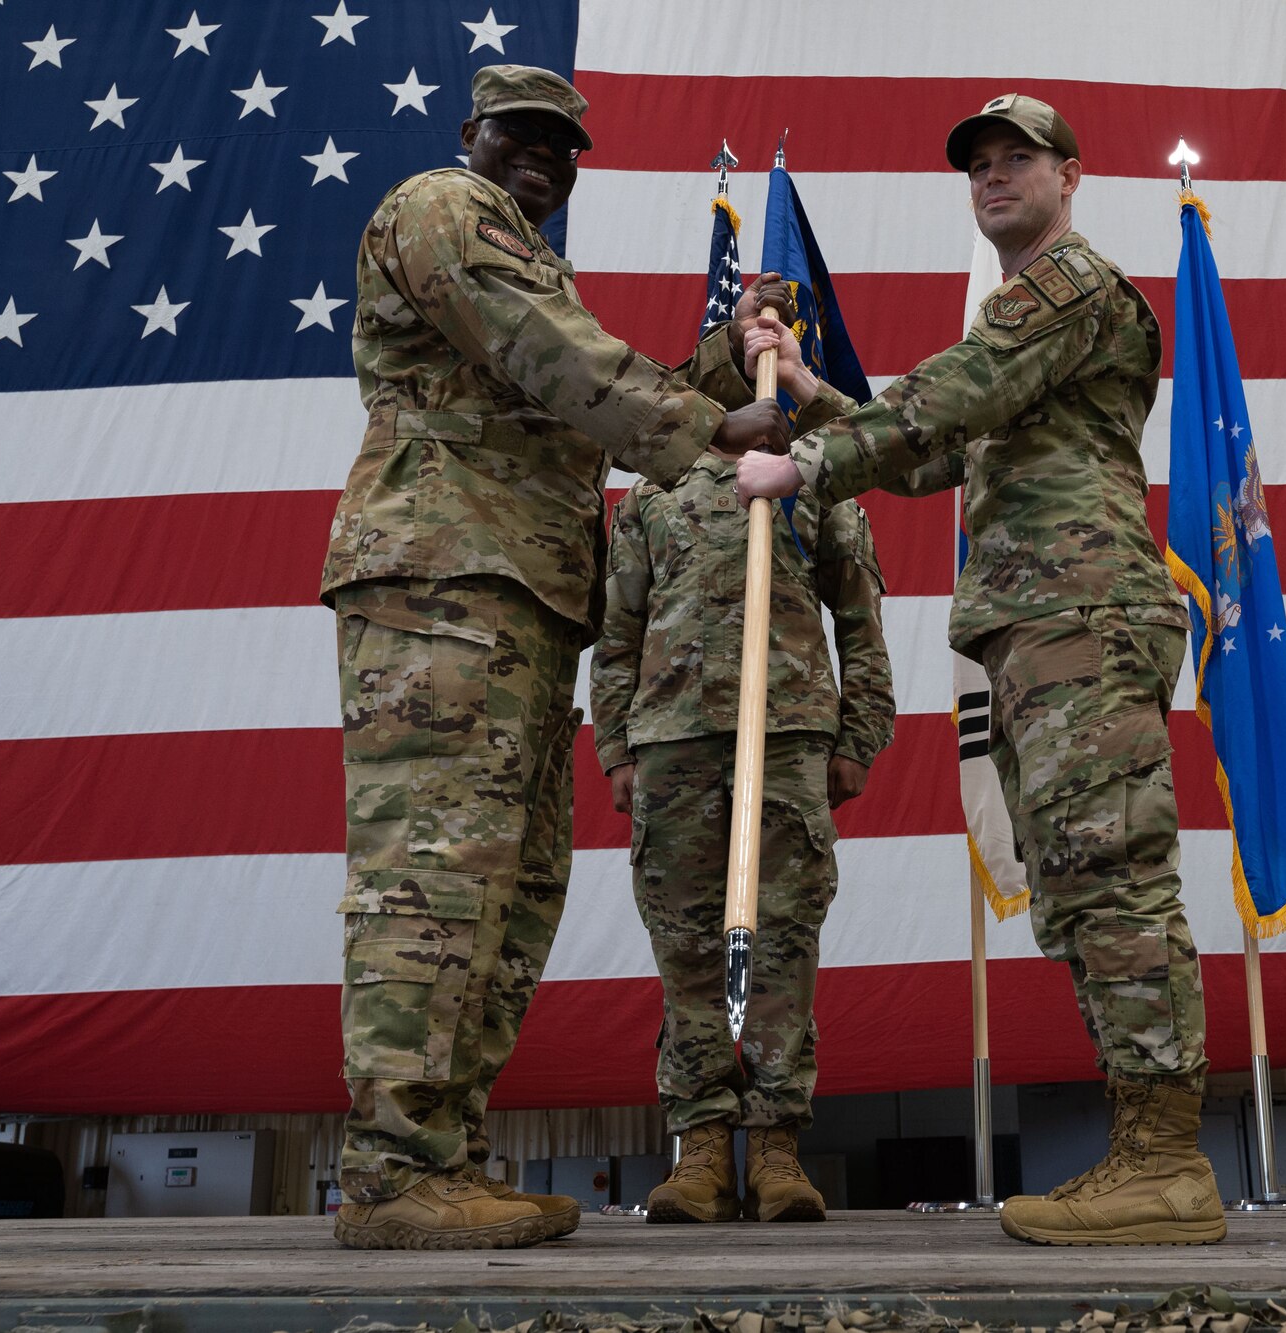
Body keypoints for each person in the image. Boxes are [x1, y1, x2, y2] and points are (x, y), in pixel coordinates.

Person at [737, 93, 1223, 1247]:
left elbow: (946, 400)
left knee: (1110, 873)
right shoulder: (1025, 309)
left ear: (1071, 177)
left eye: (1019, 160)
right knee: (1076, 878)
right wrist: (821, 400)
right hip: (1039, 623)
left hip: (1079, 612)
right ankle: (1145, 1150)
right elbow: (937, 453)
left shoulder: (1070, 286)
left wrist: (799, 464)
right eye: (979, 167)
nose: (994, 177)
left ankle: (1163, 1159)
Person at [321, 63, 793, 1251]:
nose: (545, 157)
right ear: (469, 132)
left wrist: (726, 367)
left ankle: (443, 1154)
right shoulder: (442, 205)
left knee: (507, 888)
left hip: (514, 594)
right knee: (430, 877)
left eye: (565, 145)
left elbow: (580, 395)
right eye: (521, 134)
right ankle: (393, 1171)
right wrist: (705, 423)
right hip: (443, 578)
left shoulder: (527, 257)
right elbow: (555, 355)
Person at [590, 332, 894, 1224]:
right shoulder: (652, 496)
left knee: (783, 945)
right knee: (687, 947)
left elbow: (862, 622)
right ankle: (698, 1153)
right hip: (674, 744)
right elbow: (618, 636)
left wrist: (859, 736)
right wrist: (616, 747)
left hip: (792, 735)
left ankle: (774, 1147)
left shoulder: (814, 481)